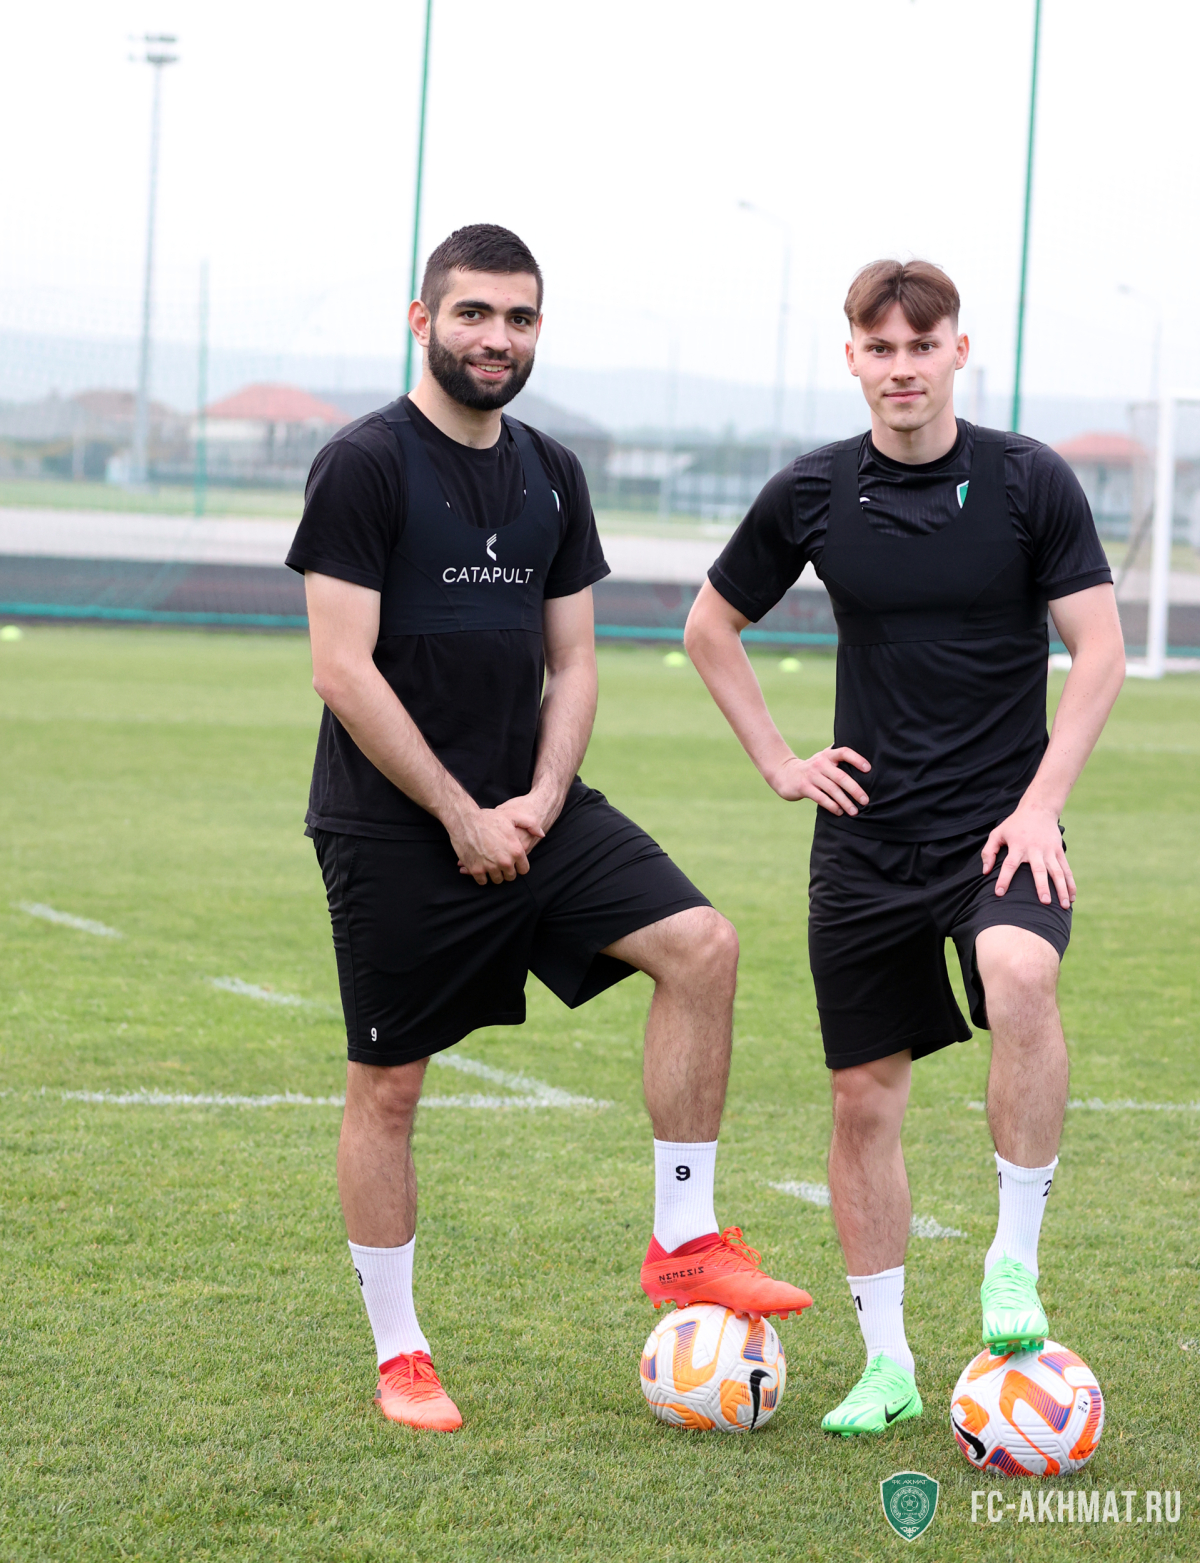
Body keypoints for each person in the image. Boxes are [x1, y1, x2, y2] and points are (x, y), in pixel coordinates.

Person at [286, 224, 811, 1432]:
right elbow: (340, 668)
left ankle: (684, 1240)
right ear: (422, 321)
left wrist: (534, 796)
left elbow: (573, 661)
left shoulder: (554, 472)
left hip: (536, 808)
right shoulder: (363, 464)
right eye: (473, 313)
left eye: (519, 318)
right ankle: (401, 1352)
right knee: (389, 1089)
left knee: (703, 947)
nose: (497, 338)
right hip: (394, 828)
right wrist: (460, 814)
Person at [684, 259, 1125, 1436]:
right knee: (861, 1101)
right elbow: (710, 625)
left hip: (998, 829)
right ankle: (887, 1366)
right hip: (864, 845)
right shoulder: (816, 491)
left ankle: (1012, 1260)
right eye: (879, 349)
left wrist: (1040, 806)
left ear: (957, 353)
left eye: (921, 346)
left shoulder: (1028, 481)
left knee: (1020, 975)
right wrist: (780, 761)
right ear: (852, 360)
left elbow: (1100, 653)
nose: (902, 368)